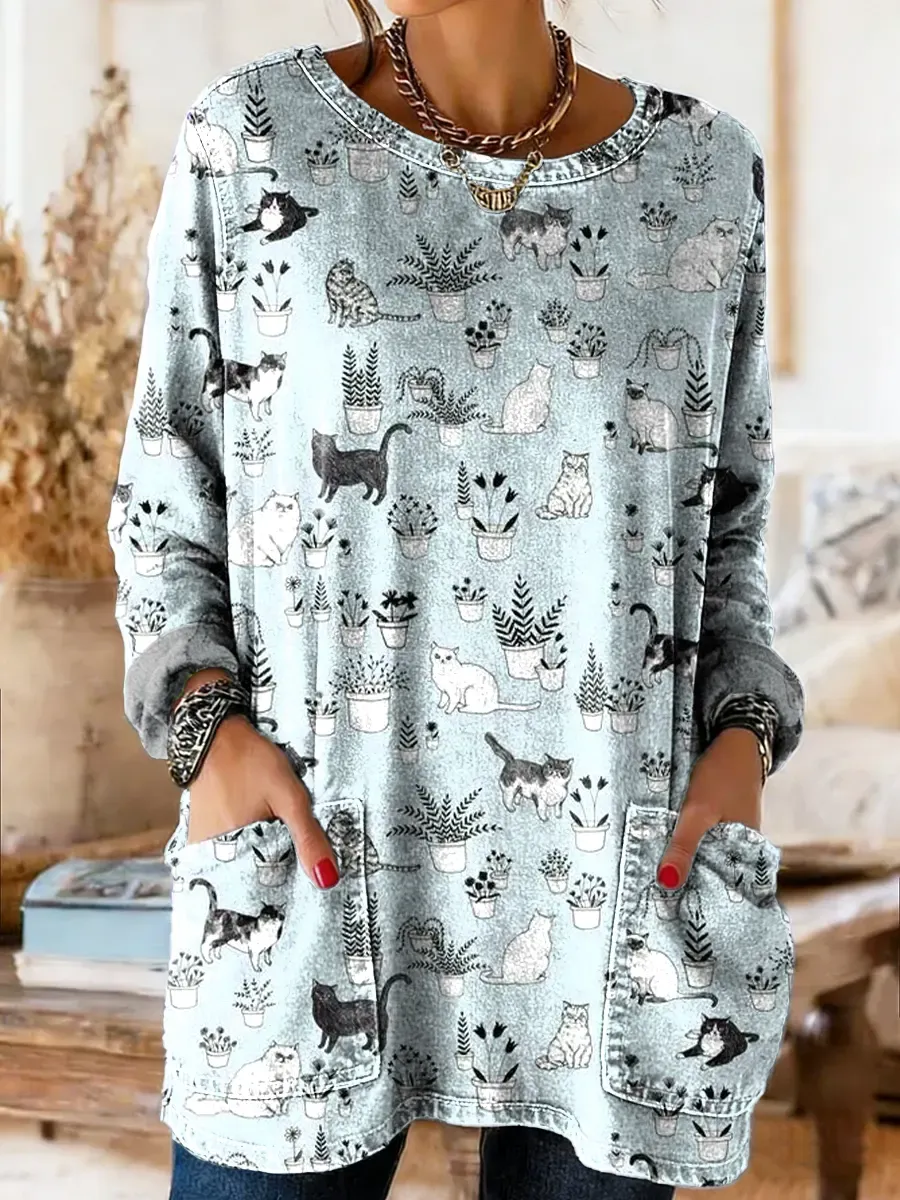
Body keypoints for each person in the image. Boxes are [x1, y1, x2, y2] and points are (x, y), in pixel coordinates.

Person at [107, 1, 805, 1196]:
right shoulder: (251, 136)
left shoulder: (704, 175)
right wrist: (203, 731)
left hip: (615, 896)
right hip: (316, 866)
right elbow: (170, 487)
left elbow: (727, 523)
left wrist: (742, 737)